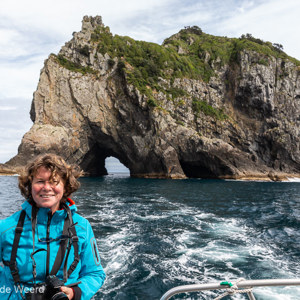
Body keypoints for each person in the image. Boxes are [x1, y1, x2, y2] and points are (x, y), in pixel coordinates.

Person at [0, 154, 106, 299]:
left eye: (54, 181)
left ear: (65, 186)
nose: (46, 187)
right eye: (40, 181)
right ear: (30, 185)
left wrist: (74, 293)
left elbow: (95, 273)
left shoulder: (82, 227)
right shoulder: (6, 228)